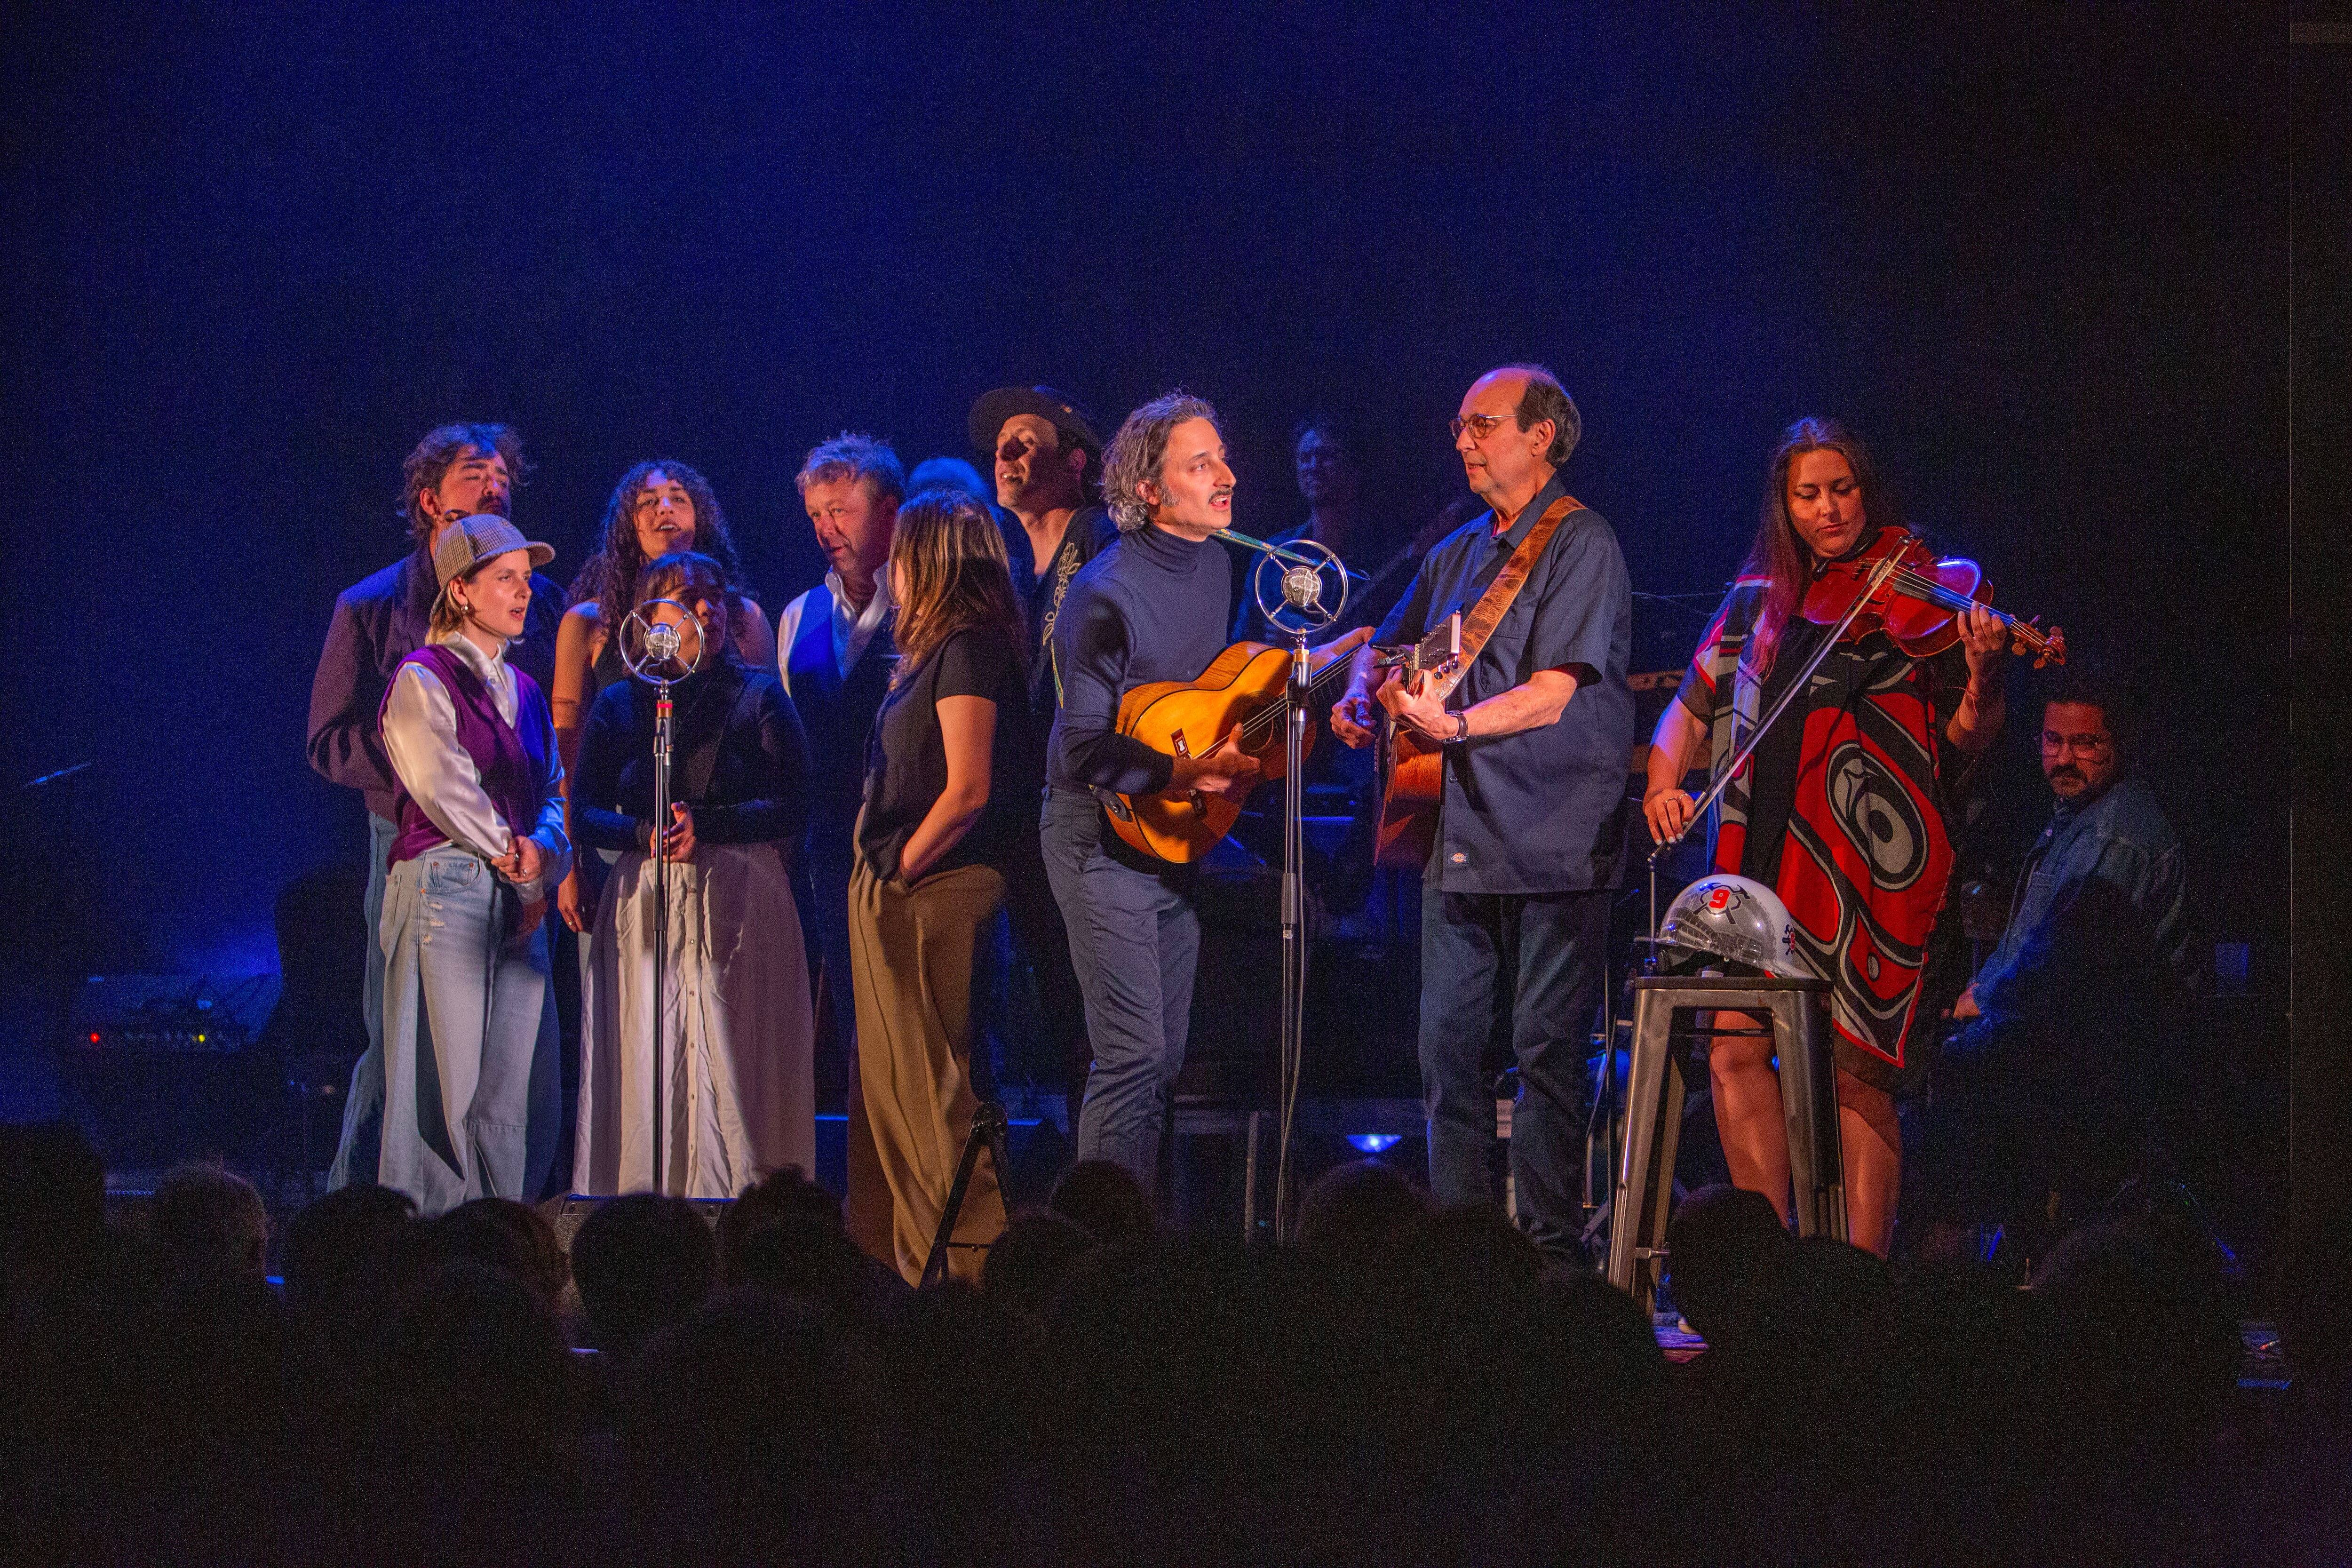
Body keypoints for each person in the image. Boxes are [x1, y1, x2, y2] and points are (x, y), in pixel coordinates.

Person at [1640, 417, 2010, 1258]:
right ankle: (1771, 1270)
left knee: (1854, 1073)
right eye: (1806, 495)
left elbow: (1967, 739)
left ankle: (1854, 1279)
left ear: (1866, 488)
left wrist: (1986, 673)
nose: (1827, 509)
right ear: (1784, 505)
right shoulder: (1754, 601)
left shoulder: (1910, 594)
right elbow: (1690, 706)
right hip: (1750, 857)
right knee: (1735, 1051)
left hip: (1859, 867)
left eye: (1841, 489)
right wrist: (1665, 781)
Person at [1330, 364, 1636, 1264]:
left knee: (1546, 1052)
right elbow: (1383, 639)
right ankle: (1462, 1253)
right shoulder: (1459, 551)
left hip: (1557, 830)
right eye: (1460, 425)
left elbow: (1553, 694)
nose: (1462, 440)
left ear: (1541, 436)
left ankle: (1547, 1255)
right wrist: (1361, 688)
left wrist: (1450, 722)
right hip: (1458, 830)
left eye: (1481, 424)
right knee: (1446, 1052)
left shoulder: (1585, 544)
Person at [310, 423, 563, 1194]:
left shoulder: (524, 649)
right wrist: (427, 759)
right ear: (430, 499)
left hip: (514, 858)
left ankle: (502, 1224)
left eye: (503, 476)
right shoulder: (377, 611)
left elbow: (547, 767)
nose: (496, 486)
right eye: (475, 475)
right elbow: (336, 742)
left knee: (509, 1073)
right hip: (419, 846)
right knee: (407, 1052)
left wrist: (541, 851)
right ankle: (366, 1219)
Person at [1041, 393, 1273, 1192]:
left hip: (1170, 836)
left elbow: (1207, 697)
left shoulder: (1218, 563)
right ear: (1150, 489)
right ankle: (1098, 1250)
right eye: (1199, 464)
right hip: (1097, 835)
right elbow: (1082, 747)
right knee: (1132, 1053)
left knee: (1166, 1057)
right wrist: (1183, 774)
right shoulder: (1104, 594)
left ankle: (1139, 1236)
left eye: (1222, 457)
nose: (1226, 476)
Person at [571, 551, 814, 1198]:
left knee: (733, 1060)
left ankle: (750, 1206)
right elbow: (583, 811)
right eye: (686, 596)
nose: (706, 607)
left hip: (738, 895)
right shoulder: (624, 704)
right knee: (654, 1057)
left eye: (714, 596)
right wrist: (643, 833)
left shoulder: (759, 694)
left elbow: (797, 801)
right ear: (652, 617)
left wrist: (709, 825)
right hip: (646, 900)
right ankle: (647, 1209)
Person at [1926, 675, 2199, 1232]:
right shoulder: (2076, 819)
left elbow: (2070, 965)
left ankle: (1960, 1265)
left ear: (2119, 746)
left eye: (2085, 744)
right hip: (2069, 1042)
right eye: (2052, 742)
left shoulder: (2115, 836)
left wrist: (1984, 1000)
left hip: (2109, 1065)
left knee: (1949, 1077)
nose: (2063, 759)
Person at [848, 489, 1036, 1283]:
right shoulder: (937, 651)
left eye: (900, 552)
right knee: (897, 1096)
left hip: (933, 886)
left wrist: (901, 867)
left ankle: (977, 1270)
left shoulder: (969, 648)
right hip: (903, 878)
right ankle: (920, 1268)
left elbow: (968, 788)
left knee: (932, 1094)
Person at [373, 514, 571, 1216]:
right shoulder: (422, 677)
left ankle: (498, 1241)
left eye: (525, 580)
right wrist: (513, 855)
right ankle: (430, 1251)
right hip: (448, 885)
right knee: (443, 1086)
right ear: (460, 590)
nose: (522, 594)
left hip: (517, 891)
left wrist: (543, 853)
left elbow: (551, 789)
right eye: (504, 580)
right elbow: (442, 782)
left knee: (507, 1092)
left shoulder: (524, 688)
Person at [970, 385, 1118, 1130]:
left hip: (1080, 804)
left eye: (1026, 441)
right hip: (1022, 808)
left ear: (1075, 462)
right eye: (1000, 444)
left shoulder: (1095, 539)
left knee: (1086, 1004)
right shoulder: (1006, 568)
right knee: (1051, 1002)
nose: (1006, 453)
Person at [552, 461, 773, 940]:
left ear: (701, 518)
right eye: (648, 502)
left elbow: (771, 755)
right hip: (621, 843)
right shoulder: (589, 624)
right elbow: (567, 751)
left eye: (678, 498)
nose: (664, 509)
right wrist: (568, 863)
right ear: (629, 526)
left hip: (727, 844)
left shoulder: (741, 619)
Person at [779, 432, 902, 1254]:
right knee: (859, 1019)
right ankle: (869, 1207)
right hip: (831, 840)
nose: (829, 527)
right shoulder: (799, 614)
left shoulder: (924, 597)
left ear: (889, 509)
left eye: (843, 509)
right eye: (818, 514)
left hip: (916, 835)